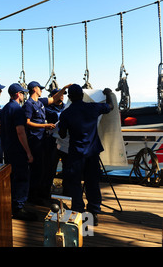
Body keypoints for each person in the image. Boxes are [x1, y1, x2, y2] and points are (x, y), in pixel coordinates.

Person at [58, 84, 113, 225]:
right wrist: (107, 93)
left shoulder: (66, 114)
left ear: (69, 97)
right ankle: (93, 212)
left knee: (74, 182)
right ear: (82, 95)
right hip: (92, 152)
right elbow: (110, 107)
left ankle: (78, 210)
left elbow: (62, 135)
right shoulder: (93, 108)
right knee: (92, 182)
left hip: (76, 154)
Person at [22, 81, 70, 203]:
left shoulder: (40, 102)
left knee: (41, 168)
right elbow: (27, 123)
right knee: (36, 169)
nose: (42, 90)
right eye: (40, 88)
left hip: (42, 140)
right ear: (34, 89)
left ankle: (39, 194)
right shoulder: (29, 104)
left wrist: (64, 88)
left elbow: (54, 99)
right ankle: (33, 196)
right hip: (34, 140)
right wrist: (45, 126)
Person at [0, 83, 36, 221]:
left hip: (8, 149)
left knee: (12, 178)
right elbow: (20, 132)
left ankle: (12, 205)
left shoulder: (5, 109)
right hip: (18, 150)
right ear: (17, 94)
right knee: (22, 178)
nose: (24, 96)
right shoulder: (17, 110)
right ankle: (19, 208)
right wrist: (28, 152)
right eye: (22, 93)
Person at [42, 88, 67, 201]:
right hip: (51, 141)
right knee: (50, 167)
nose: (62, 96)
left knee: (67, 167)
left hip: (65, 141)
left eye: (63, 94)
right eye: (59, 94)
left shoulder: (67, 107)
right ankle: (46, 192)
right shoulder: (46, 108)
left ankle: (67, 190)